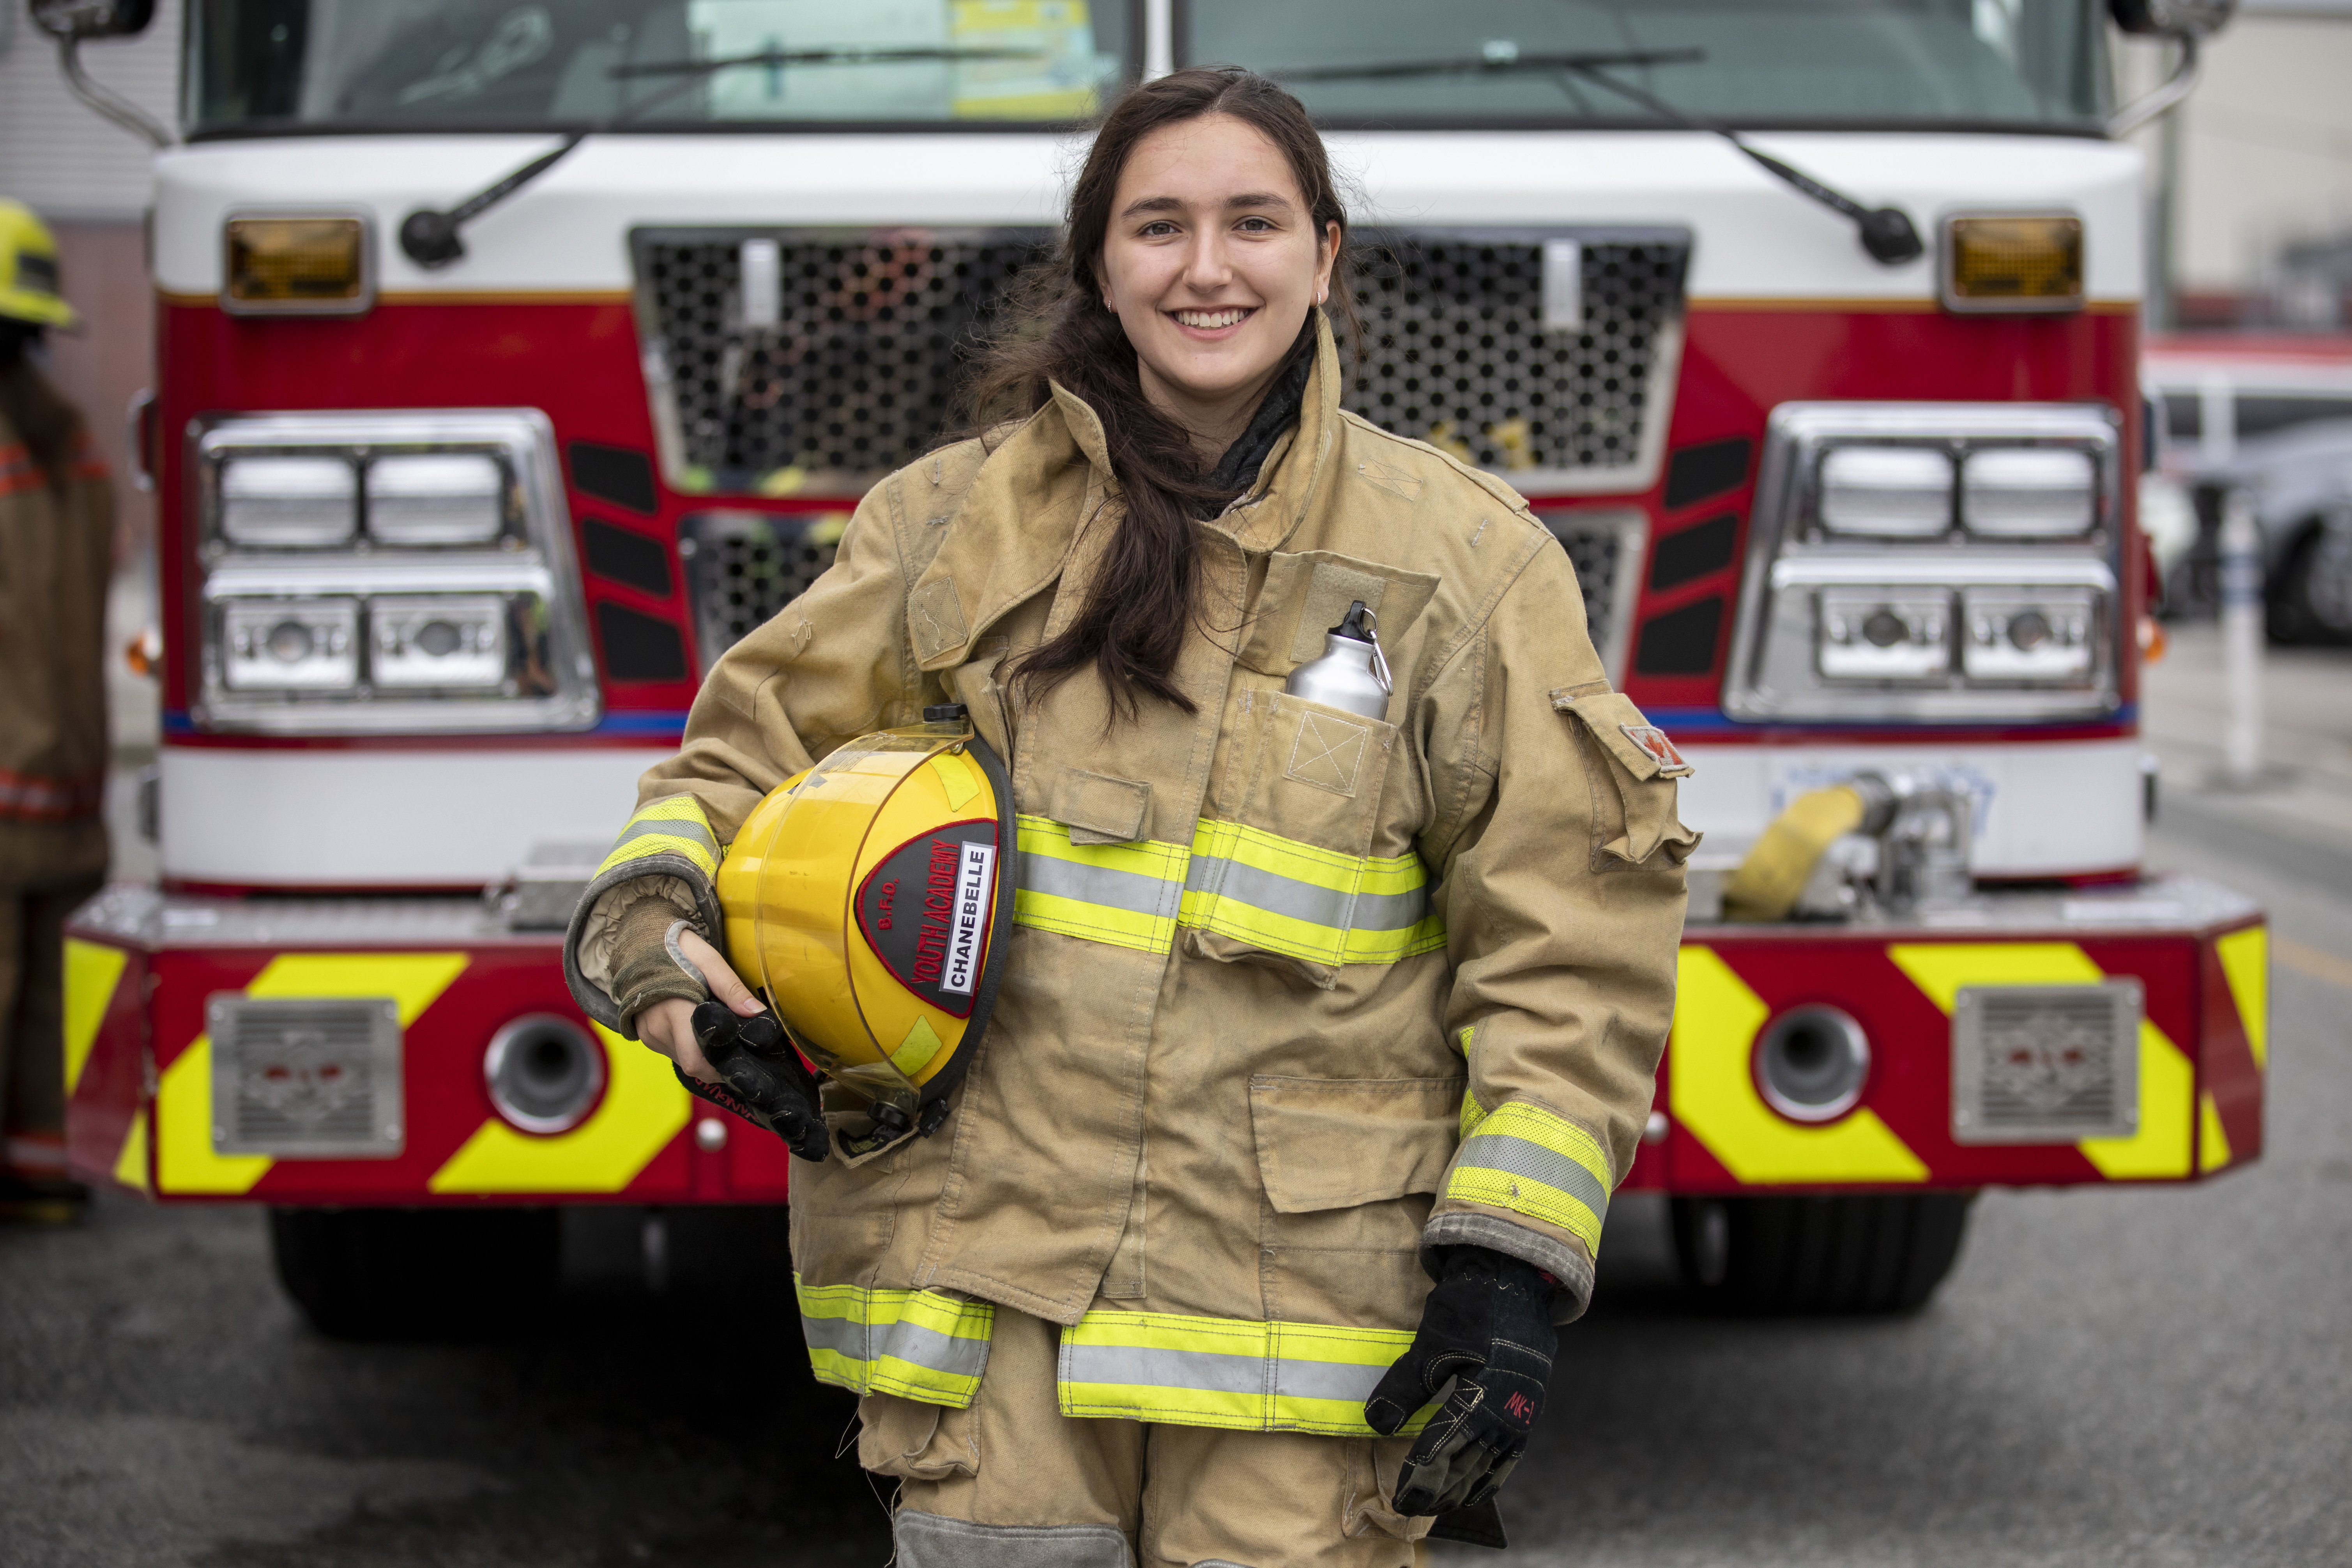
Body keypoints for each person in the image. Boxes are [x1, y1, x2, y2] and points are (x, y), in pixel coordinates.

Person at [567, 69, 1692, 1566]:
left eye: (1253, 223)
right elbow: (727, 778)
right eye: (1158, 226)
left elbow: (1570, 945)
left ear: (1325, 255)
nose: (1206, 267)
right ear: (1100, 261)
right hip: (983, 1310)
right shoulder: (949, 527)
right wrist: (661, 968)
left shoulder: (1465, 574)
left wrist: (1507, 1277)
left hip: (1301, 1340)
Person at [0, 198, 113, 1223]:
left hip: (12, 782)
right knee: (42, 1006)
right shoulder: (66, 436)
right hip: (65, 783)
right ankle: (40, 1172)